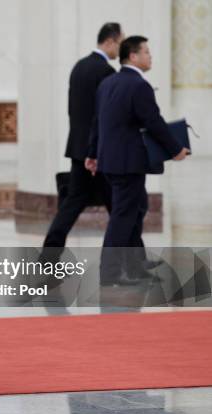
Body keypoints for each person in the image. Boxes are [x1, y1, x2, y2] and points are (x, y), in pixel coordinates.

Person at [86, 36, 188, 285]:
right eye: (146, 52)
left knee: (136, 209)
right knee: (123, 216)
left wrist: (92, 153)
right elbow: (153, 122)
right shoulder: (138, 86)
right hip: (127, 162)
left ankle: (135, 269)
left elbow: (97, 121)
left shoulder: (108, 83)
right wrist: (175, 149)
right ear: (133, 56)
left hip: (111, 160)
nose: (150, 56)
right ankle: (109, 273)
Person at [43, 23, 123, 247]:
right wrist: (96, 151)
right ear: (109, 41)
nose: (120, 50)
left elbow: (74, 110)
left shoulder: (79, 67)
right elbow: (104, 116)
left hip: (79, 147)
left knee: (76, 203)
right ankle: (132, 260)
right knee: (120, 208)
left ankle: (48, 257)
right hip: (97, 153)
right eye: (119, 43)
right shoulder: (106, 71)